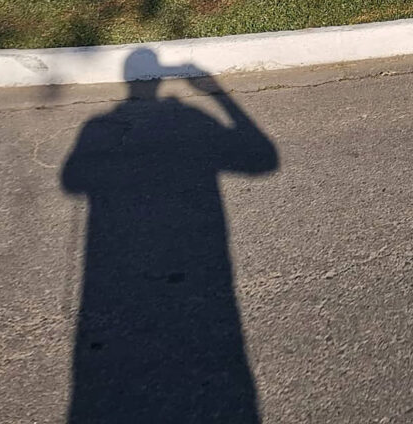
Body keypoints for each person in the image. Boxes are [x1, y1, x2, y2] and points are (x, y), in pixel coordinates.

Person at [61, 51, 279, 423]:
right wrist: (216, 93)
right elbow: (262, 160)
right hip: (203, 273)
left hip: (109, 282)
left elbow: (71, 182)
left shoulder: (96, 126)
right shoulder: (191, 117)